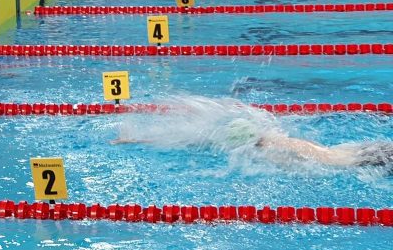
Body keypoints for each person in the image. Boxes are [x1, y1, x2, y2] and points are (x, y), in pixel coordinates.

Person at [114, 96, 393, 174]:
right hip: (354, 153)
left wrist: (136, 139)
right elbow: (191, 138)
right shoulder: (272, 140)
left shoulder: (271, 148)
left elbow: (189, 140)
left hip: (354, 161)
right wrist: (137, 139)